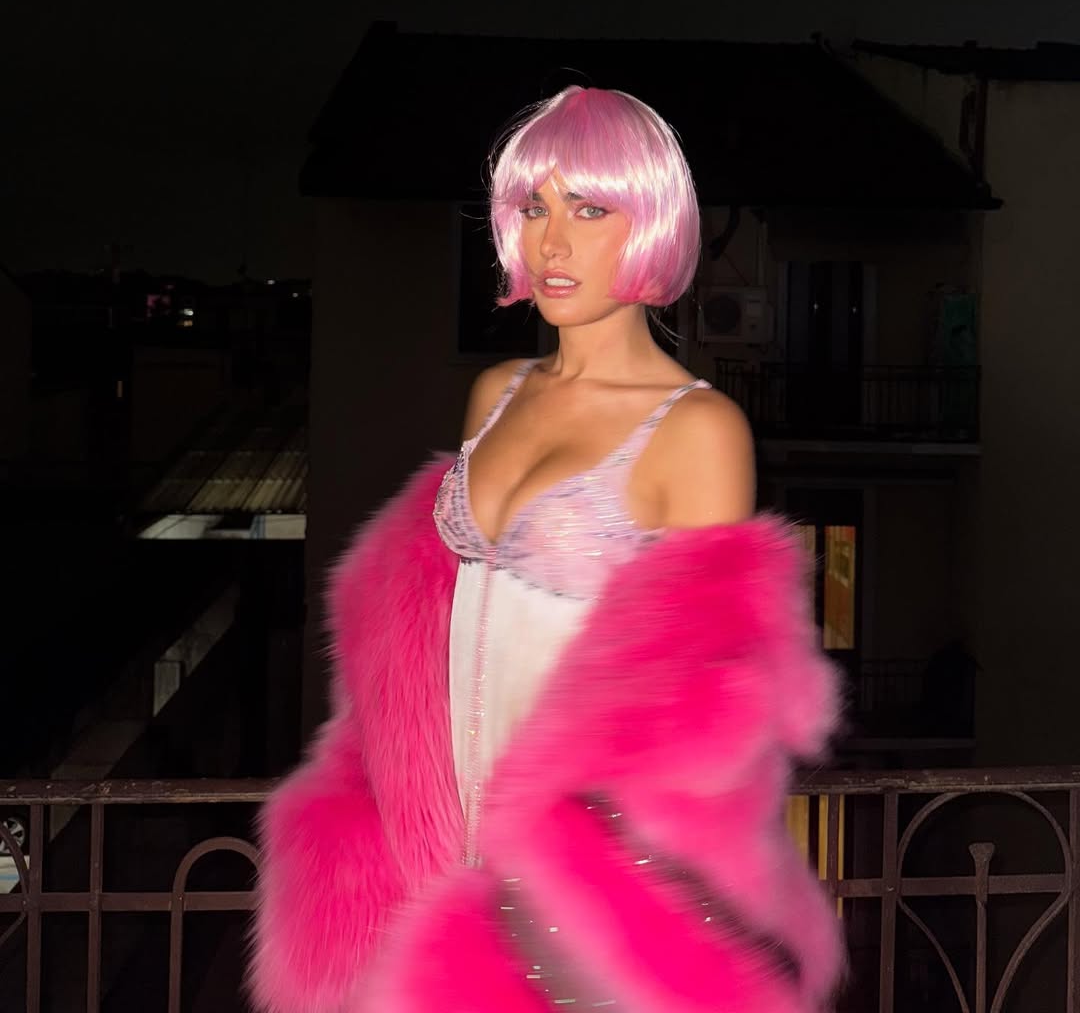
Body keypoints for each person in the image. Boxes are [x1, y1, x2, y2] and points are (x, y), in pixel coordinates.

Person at [251, 86, 843, 1013]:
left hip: (574, 903)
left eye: (590, 210)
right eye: (534, 207)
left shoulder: (697, 432)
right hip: (431, 859)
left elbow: (701, 729)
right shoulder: (496, 394)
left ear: (651, 224)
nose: (552, 242)